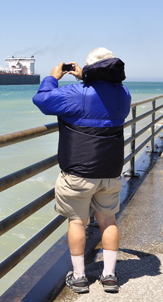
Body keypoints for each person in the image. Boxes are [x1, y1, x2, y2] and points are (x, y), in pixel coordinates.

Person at [32, 47, 131, 293]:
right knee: (108, 220)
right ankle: (109, 276)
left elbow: (42, 100)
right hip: (110, 171)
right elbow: (101, 98)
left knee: (77, 222)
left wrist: (53, 78)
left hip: (78, 172)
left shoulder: (74, 94)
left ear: (89, 69)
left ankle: (79, 278)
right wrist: (84, 78)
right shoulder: (124, 95)